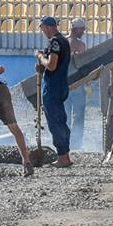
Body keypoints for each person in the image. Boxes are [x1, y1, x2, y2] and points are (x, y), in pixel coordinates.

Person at [35, 16, 73, 167]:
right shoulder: (63, 41)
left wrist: (40, 57)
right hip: (61, 85)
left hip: (53, 87)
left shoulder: (55, 42)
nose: (43, 31)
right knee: (60, 120)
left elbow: (52, 65)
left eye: (43, 28)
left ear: (48, 27)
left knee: (55, 122)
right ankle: (65, 155)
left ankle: (62, 157)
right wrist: (41, 66)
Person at [65, 18, 88, 150]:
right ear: (75, 28)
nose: (83, 32)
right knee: (73, 115)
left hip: (73, 84)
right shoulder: (77, 45)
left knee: (73, 114)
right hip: (72, 84)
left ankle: (72, 143)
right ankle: (71, 143)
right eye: (82, 29)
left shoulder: (80, 44)